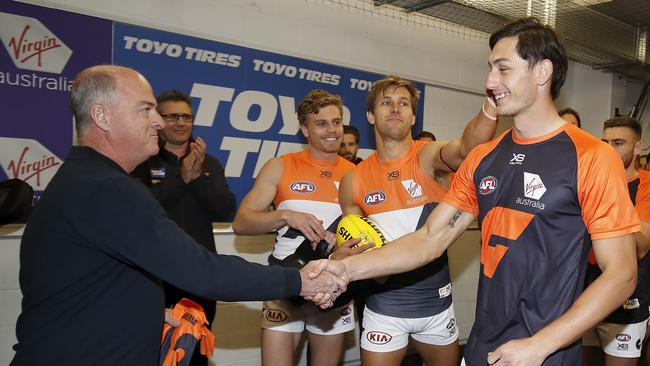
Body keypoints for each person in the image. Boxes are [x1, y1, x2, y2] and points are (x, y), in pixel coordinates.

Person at [313, 17, 640, 366]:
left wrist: (540, 345)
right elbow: (429, 238)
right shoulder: (484, 157)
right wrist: (347, 270)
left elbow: (621, 274)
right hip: (483, 345)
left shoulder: (591, 156)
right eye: (489, 69)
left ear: (543, 71)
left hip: (544, 353)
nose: (489, 82)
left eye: (503, 69)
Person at [10, 65, 342, 366]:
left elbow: (85, 281)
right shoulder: (104, 188)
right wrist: (301, 280)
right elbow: (203, 271)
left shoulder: (83, 179)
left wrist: (146, 314)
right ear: (103, 117)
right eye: (145, 109)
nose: (158, 121)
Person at [335, 74, 498, 366]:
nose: (395, 109)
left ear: (413, 117)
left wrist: (491, 105)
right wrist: (340, 255)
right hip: (383, 307)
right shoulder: (352, 180)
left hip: (435, 307)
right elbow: (351, 238)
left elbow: (465, 150)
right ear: (371, 115)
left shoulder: (428, 157)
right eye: (386, 103)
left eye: (403, 103)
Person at [232, 89, 367, 366]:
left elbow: (372, 232)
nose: (332, 130)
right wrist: (285, 216)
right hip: (284, 281)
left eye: (336, 122)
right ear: (305, 129)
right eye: (321, 123)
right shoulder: (281, 166)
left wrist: (342, 241)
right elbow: (241, 222)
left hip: (334, 286)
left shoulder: (358, 175)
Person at [131, 90, 235, 366]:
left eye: (186, 117)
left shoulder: (208, 162)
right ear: (158, 120)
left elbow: (225, 208)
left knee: (196, 349)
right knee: (152, 350)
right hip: (155, 274)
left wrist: (197, 178)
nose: (180, 122)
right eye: (172, 116)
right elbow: (139, 209)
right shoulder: (143, 161)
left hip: (199, 273)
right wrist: (182, 180)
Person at [581, 116, 650, 366]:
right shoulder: (592, 182)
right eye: (605, 142)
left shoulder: (646, 185)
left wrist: (614, 194)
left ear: (638, 147)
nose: (609, 149)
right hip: (585, 295)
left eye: (618, 143)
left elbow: (641, 247)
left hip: (626, 302)